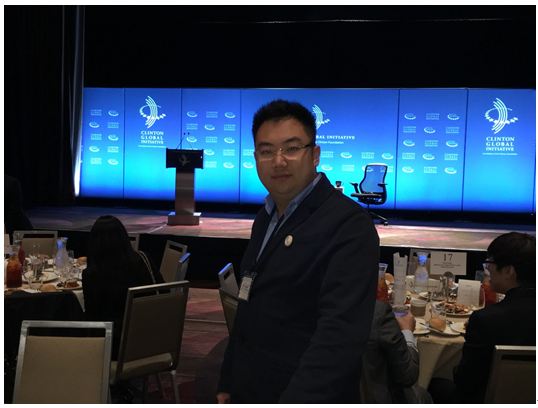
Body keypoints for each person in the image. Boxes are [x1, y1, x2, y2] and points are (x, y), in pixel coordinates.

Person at [216, 99, 379, 403]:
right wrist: (228, 381)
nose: (278, 161)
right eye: (267, 151)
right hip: (251, 389)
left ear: (314, 155)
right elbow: (247, 308)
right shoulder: (265, 217)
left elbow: (339, 338)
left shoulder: (348, 224)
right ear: (255, 158)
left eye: (291, 148)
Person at [429, 231, 536, 403]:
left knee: (432, 383)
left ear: (509, 270)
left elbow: (466, 382)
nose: (488, 270)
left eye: (490, 264)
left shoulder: (486, 319)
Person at [82, 215, 162, 359]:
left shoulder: (92, 274)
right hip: (152, 338)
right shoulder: (144, 259)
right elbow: (164, 291)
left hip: (112, 348)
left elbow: (92, 316)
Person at [361, 301, 432, 403]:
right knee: (424, 395)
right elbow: (408, 376)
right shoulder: (379, 312)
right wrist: (407, 331)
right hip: (373, 396)